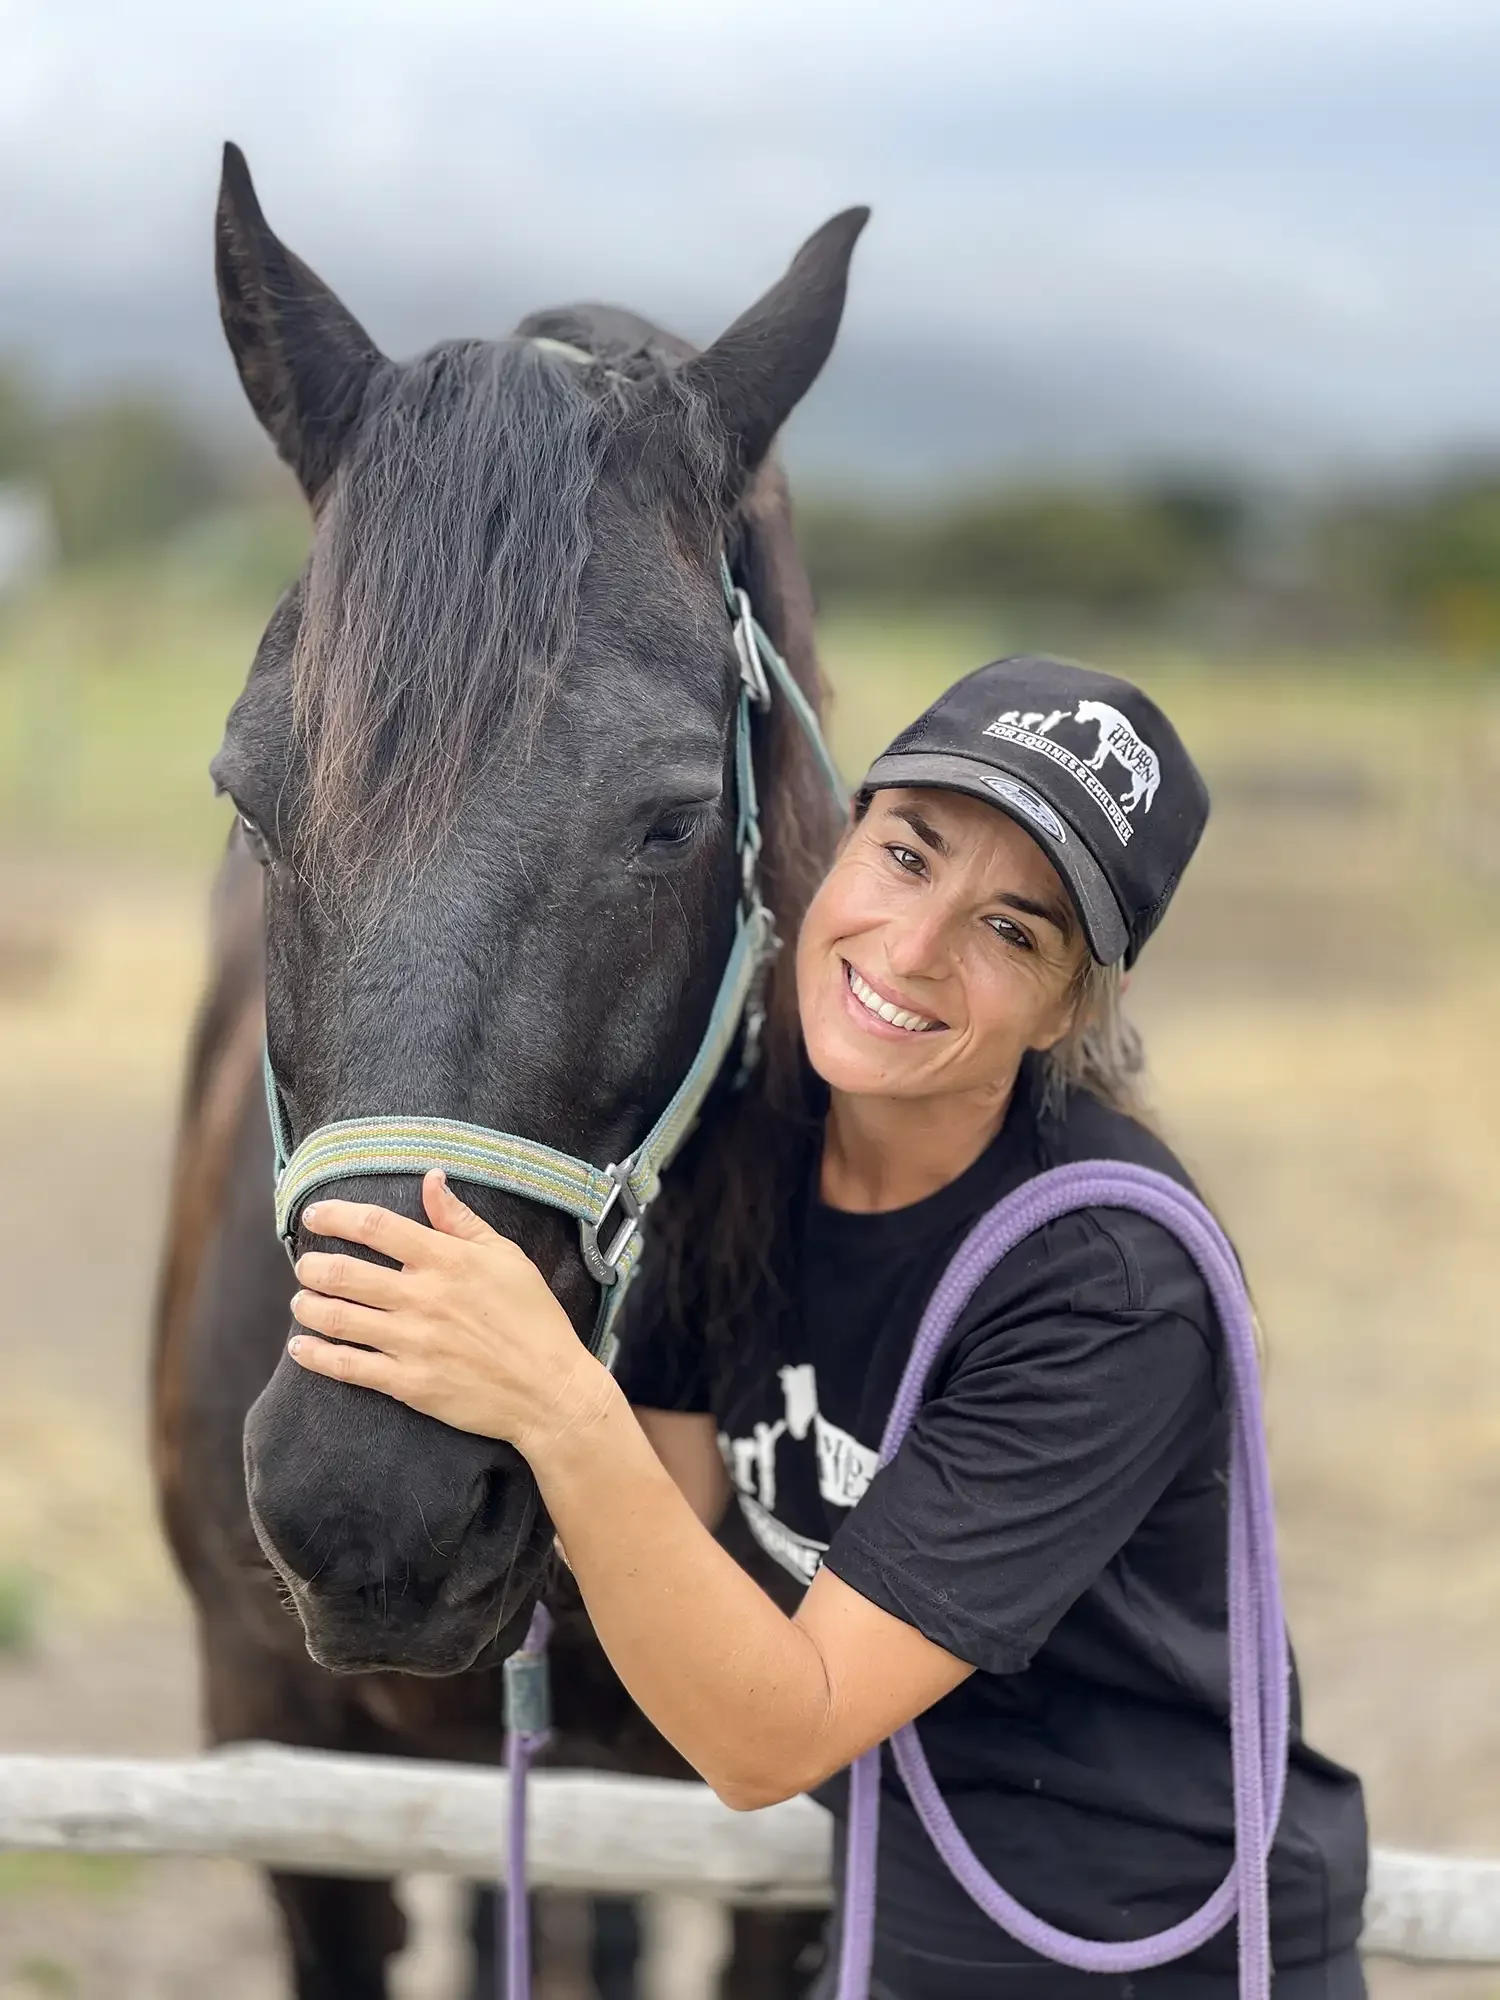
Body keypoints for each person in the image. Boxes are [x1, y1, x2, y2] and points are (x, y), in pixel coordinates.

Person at [284, 656, 1369, 1998]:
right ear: (830, 848)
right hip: (903, 1912)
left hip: (1152, 1951)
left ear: (1068, 1014)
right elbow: (658, 1535)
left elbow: (766, 1740)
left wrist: (554, 1398)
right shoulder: (748, 1149)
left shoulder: (1105, 1283)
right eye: (907, 856)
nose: (914, 950)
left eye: (1013, 932)